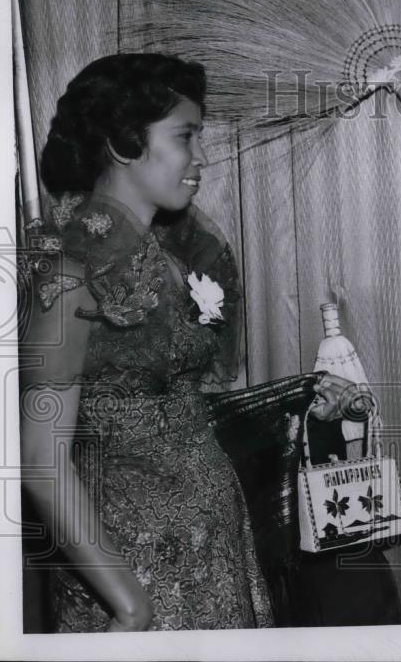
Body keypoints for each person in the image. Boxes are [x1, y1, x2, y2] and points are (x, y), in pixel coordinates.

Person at [18, 54, 353, 631]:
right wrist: (127, 601)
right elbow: (39, 459)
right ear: (124, 143)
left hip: (215, 548)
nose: (202, 157)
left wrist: (298, 398)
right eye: (185, 136)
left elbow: (178, 407)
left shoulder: (177, 260)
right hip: (127, 568)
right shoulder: (67, 273)